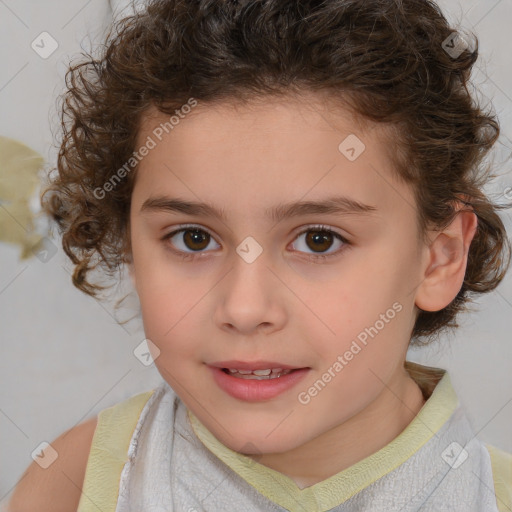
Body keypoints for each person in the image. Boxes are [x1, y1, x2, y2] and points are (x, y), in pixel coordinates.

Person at [8, 0, 512, 510]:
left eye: (319, 240)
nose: (245, 309)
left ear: (439, 257)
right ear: (129, 246)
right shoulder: (71, 486)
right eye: (193, 238)